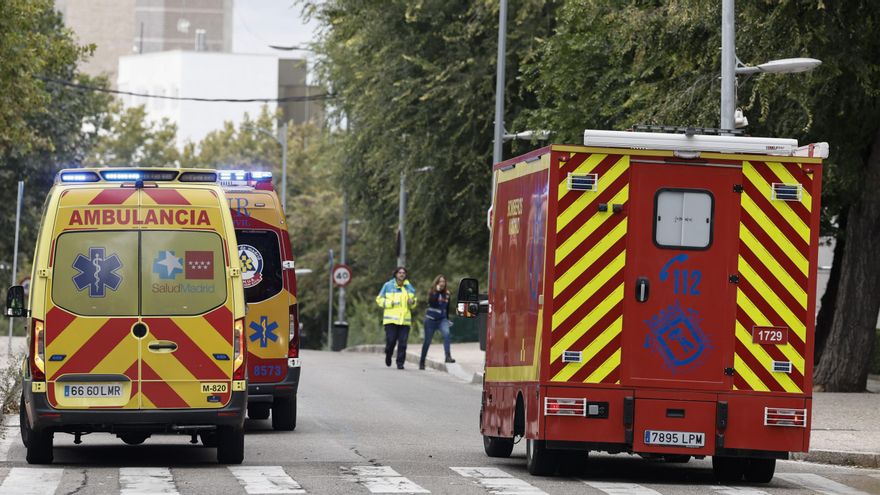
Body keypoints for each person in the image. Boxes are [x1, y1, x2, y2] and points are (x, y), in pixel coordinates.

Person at [375, 266, 417, 369]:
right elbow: (379, 299)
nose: (402, 274)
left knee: (403, 343)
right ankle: (388, 355)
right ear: (396, 274)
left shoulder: (409, 287)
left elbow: (414, 301)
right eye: (400, 272)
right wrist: (390, 303)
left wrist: (412, 302)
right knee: (391, 341)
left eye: (403, 273)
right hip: (390, 320)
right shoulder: (388, 285)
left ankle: (400, 363)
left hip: (404, 320)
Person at [419, 275, 455, 369]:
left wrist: (447, 319)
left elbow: (446, 308)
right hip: (430, 319)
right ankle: (422, 361)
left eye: (443, 281)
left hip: (442, 320)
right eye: (440, 281)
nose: (442, 283)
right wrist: (437, 292)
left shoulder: (447, 293)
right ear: (437, 283)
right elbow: (432, 303)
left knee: (447, 334)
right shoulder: (432, 292)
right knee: (427, 341)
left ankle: (448, 356)